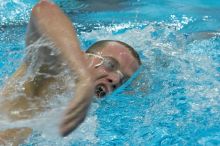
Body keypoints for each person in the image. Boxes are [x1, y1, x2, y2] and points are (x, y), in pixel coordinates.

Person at [0, 0, 141, 145]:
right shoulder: (51, 74)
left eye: (123, 79)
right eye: (110, 64)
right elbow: (44, 9)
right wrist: (83, 78)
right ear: (82, 57)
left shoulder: (80, 112)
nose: (116, 78)